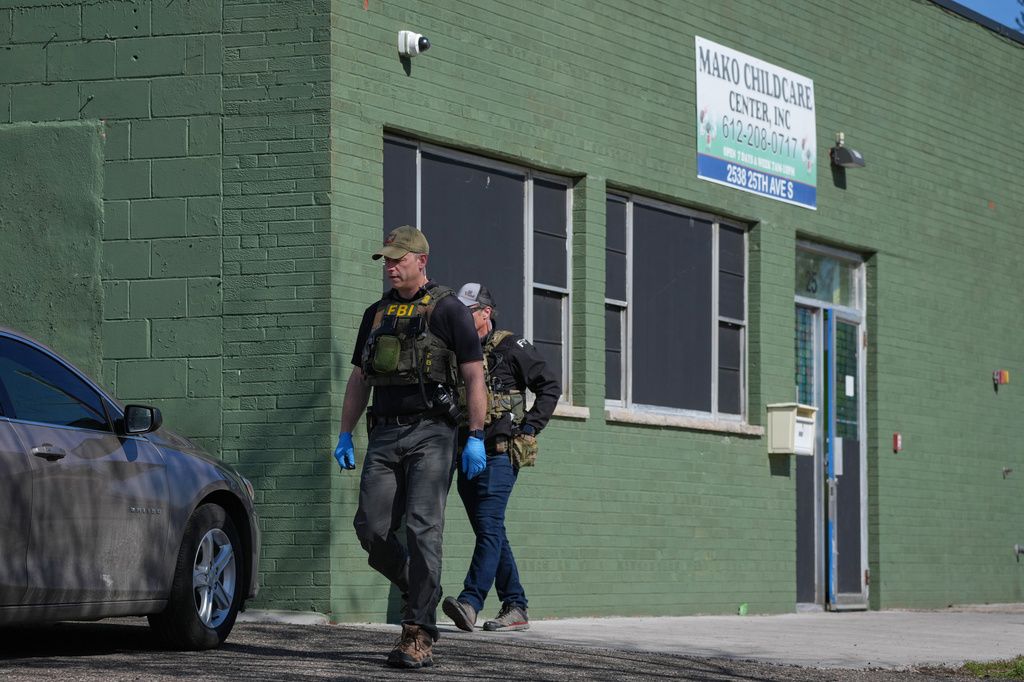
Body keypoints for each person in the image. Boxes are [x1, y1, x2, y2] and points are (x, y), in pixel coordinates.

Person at [333, 226, 487, 669]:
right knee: (372, 530)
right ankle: (423, 588)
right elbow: (360, 378)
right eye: (386, 259)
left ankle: (418, 633)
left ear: (421, 260)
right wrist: (345, 431)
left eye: (398, 259)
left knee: (423, 531)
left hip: (433, 433)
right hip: (383, 433)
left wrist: (474, 436)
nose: (390, 266)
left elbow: (475, 376)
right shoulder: (376, 314)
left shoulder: (450, 310)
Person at [442, 283, 561, 633]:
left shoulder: (511, 346)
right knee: (490, 531)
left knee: (489, 526)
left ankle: (470, 602)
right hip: (466, 453)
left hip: (500, 454)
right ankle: (516, 604)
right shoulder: (457, 349)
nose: (461, 317)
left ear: (485, 313)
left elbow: (549, 386)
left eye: (468, 311)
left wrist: (528, 429)